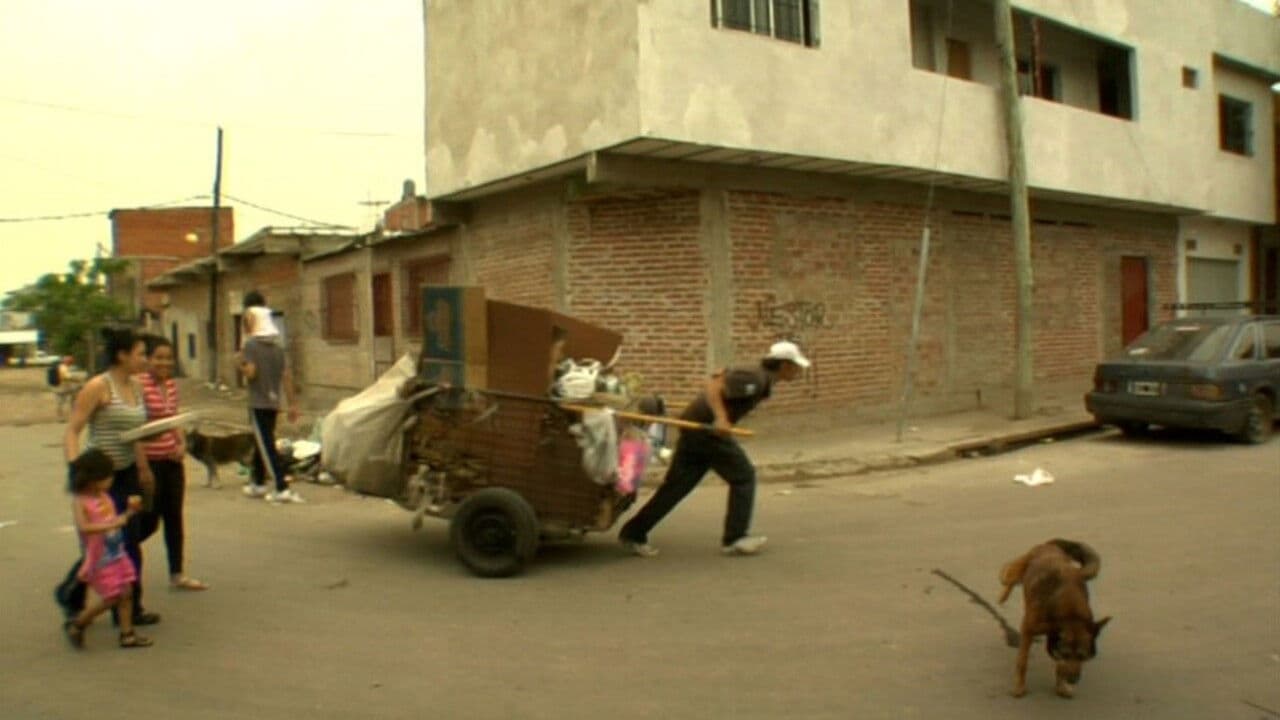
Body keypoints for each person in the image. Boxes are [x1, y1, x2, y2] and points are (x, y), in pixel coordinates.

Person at [617, 340, 810, 558]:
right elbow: (714, 385)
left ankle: (633, 533)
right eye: (796, 366)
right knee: (744, 476)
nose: (798, 371)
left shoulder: (758, 376)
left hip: (697, 429)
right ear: (784, 365)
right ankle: (735, 538)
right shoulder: (755, 377)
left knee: (677, 486)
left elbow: (719, 376)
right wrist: (721, 418)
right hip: (706, 430)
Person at [55, 327, 161, 626]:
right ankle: (128, 609)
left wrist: (143, 466)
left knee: (136, 530)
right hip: (101, 477)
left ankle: (74, 590)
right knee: (121, 540)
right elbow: (73, 430)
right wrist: (77, 469)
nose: (145, 359)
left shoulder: (137, 386)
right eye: (140, 354)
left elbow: (133, 433)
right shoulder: (98, 387)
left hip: (127, 472)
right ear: (122, 355)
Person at [62, 448, 153, 649]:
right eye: (107, 477)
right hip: (100, 558)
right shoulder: (81, 502)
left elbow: (116, 519)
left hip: (116, 552)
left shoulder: (104, 496)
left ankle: (127, 634)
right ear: (92, 479)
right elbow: (85, 527)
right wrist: (111, 524)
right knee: (112, 596)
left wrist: (130, 512)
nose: (111, 480)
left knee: (126, 592)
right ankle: (78, 623)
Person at [140, 335, 208, 591]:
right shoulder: (139, 386)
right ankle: (114, 554)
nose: (164, 363)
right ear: (147, 359)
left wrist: (182, 444)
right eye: (158, 358)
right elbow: (136, 427)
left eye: (168, 358)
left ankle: (177, 574)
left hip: (172, 462)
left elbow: (173, 419)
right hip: (150, 463)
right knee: (148, 520)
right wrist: (143, 467)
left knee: (174, 518)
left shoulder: (170, 385)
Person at [238, 291, 302, 503]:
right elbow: (286, 376)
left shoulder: (250, 346)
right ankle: (257, 483)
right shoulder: (277, 348)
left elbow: (251, 374)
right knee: (262, 442)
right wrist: (292, 404)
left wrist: (240, 362)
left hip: (257, 402)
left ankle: (281, 487)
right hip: (273, 403)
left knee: (266, 444)